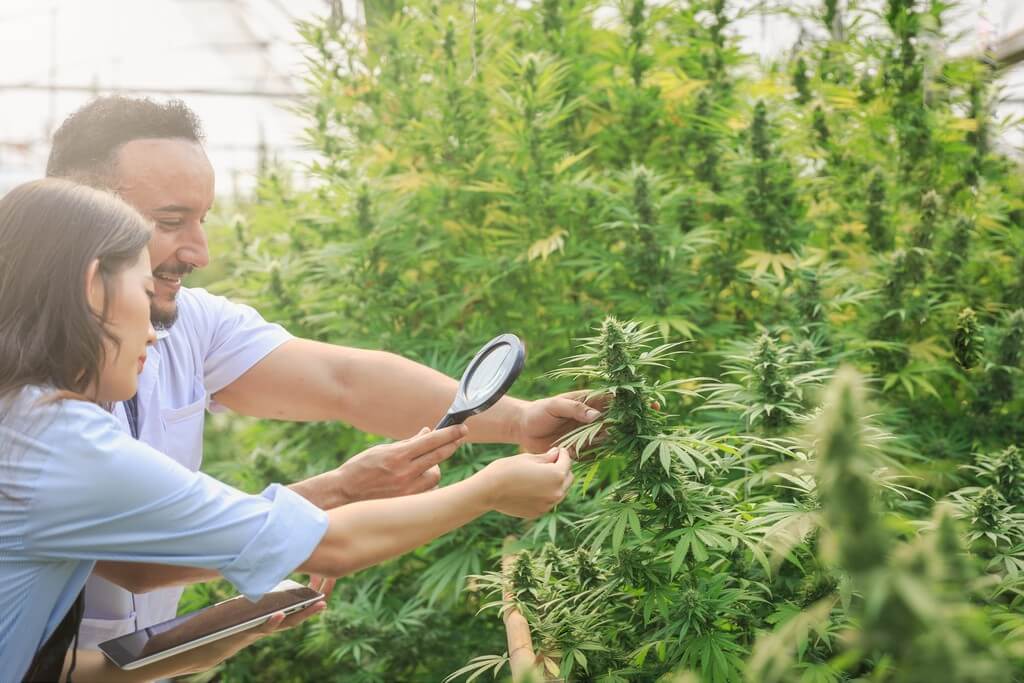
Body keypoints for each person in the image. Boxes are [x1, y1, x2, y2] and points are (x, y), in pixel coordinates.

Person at [44, 95, 603, 652]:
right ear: (83, 215)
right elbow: (148, 555)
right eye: (171, 221)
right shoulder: (35, 403)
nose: (201, 251)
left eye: (203, 219)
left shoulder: (186, 320)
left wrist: (518, 422)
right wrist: (364, 491)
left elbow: (346, 382)